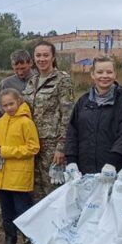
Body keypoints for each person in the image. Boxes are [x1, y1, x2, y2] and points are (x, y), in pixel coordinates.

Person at [65, 56, 122, 180]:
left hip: (113, 170)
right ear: (92, 74)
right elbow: (72, 132)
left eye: (109, 72)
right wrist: (71, 160)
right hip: (83, 170)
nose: (104, 76)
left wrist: (112, 162)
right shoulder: (83, 101)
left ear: (115, 74)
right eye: (100, 72)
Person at [22, 41, 74, 203]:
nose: (42, 59)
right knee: (34, 191)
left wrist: (61, 147)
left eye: (46, 55)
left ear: (53, 57)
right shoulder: (32, 81)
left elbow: (68, 115)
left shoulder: (62, 80)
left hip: (51, 145)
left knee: (53, 190)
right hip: (31, 144)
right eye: (38, 55)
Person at [0, 88, 40, 244]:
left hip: (19, 177)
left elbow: (33, 147)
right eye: (5, 105)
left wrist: (5, 151)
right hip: (2, 176)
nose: (8, 108)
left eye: (11, 104)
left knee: (23, 210)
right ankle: (10, 238)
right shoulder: (0, 122)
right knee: (7, 211)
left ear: (18, 101)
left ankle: (30, 243)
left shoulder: (26, 122)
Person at [0, 50, 34, 118]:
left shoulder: (40, 80)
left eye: (23, 68)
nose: (20, 72)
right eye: (16, 69)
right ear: (12, 66)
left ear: (31, 63)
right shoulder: (5, 83)